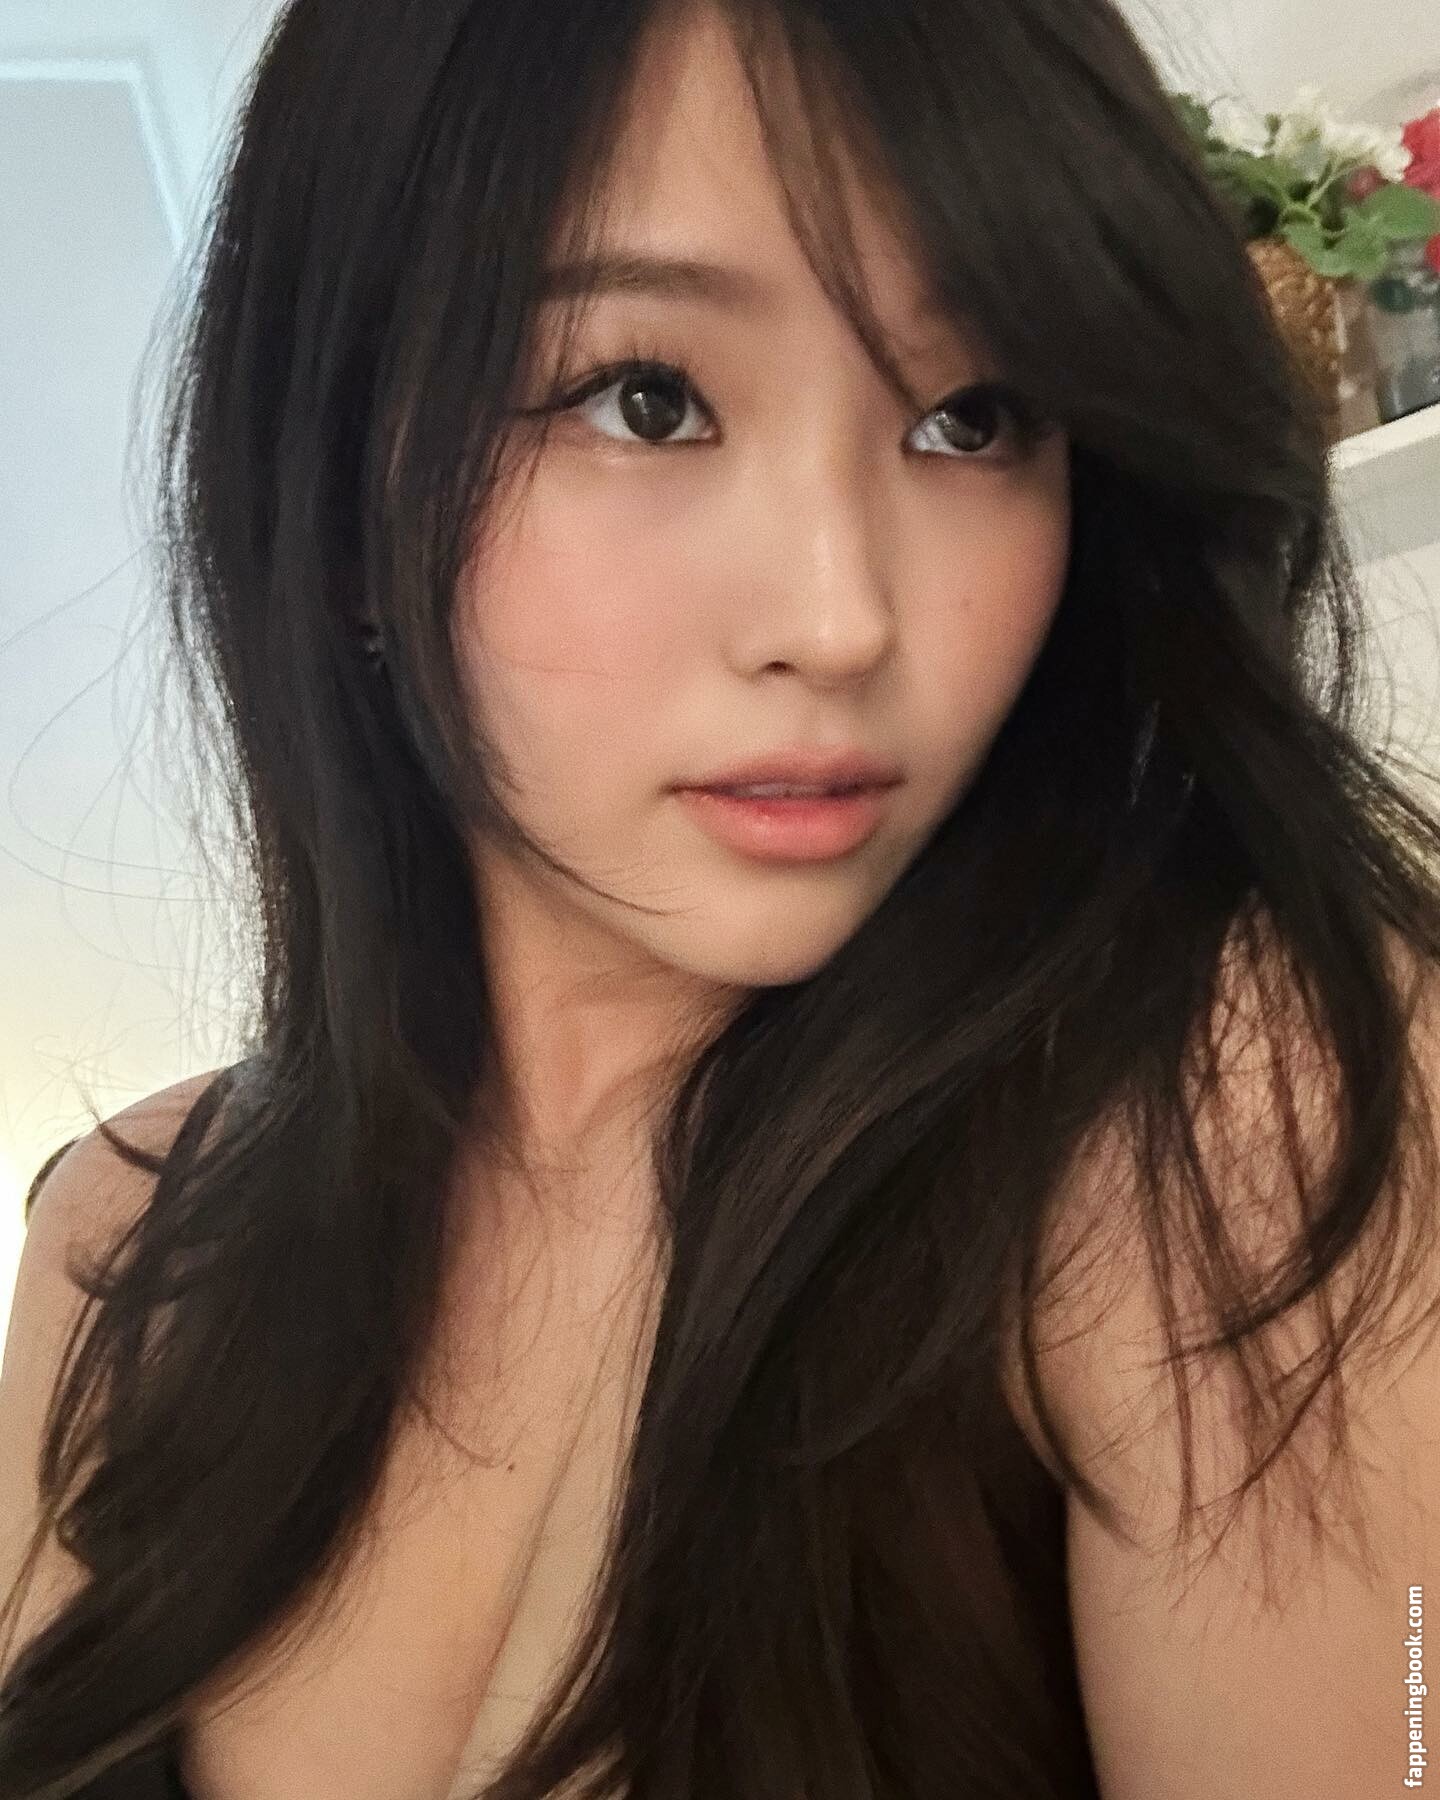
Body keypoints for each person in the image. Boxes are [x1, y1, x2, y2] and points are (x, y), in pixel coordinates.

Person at [2, 0, 1439, 1794]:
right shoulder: (121, 1250)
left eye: (975, 418)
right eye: (648, 400)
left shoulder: (1226, 1119)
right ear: (343, 485)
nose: (840, 619)